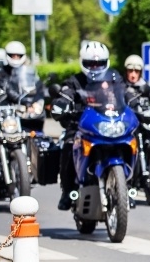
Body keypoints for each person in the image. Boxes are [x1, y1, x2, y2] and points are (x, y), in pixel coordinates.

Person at [51, 41, 124, 210]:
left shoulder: (114, 78)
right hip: (80, 125)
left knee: (130, 140)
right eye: (90, 63)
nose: (95, 67)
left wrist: (135, 102)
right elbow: (66, 93)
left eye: (98, 63)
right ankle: (67, 191)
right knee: (69, 145)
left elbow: (125, 93)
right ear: (83, 62)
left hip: (107, 123)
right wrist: (63, 102)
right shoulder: (75, 81)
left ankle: (129, 187)